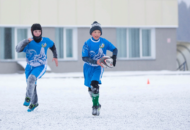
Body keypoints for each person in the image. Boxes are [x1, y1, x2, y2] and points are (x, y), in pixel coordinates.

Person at [16, 23, 58, 112]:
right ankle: (34, 103)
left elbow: (53, 46)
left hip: (41, 66)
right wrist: (25, 41)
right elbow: (17, 49)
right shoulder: (28, 42)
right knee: (31, 84)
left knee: (31, 79)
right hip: (29, 67)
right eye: (35, 31)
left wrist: (55, 56)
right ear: (32, 32)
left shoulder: (45, 41)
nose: (38, 33)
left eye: (39, 31)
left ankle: (28, 98)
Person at [82, 21, 118, 116]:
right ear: (91, 33)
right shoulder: (87, 43)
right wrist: (95, 61)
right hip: (88, 67)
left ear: (101, 33)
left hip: (99, 67)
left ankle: (95, 107)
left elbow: (115, 49)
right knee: (90, 89)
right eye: (95, 32)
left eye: (98, 32)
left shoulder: (104, 42)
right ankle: (97, 103)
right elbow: (84, 58)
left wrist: (114, 58)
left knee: (95, 85)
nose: (97, 34)